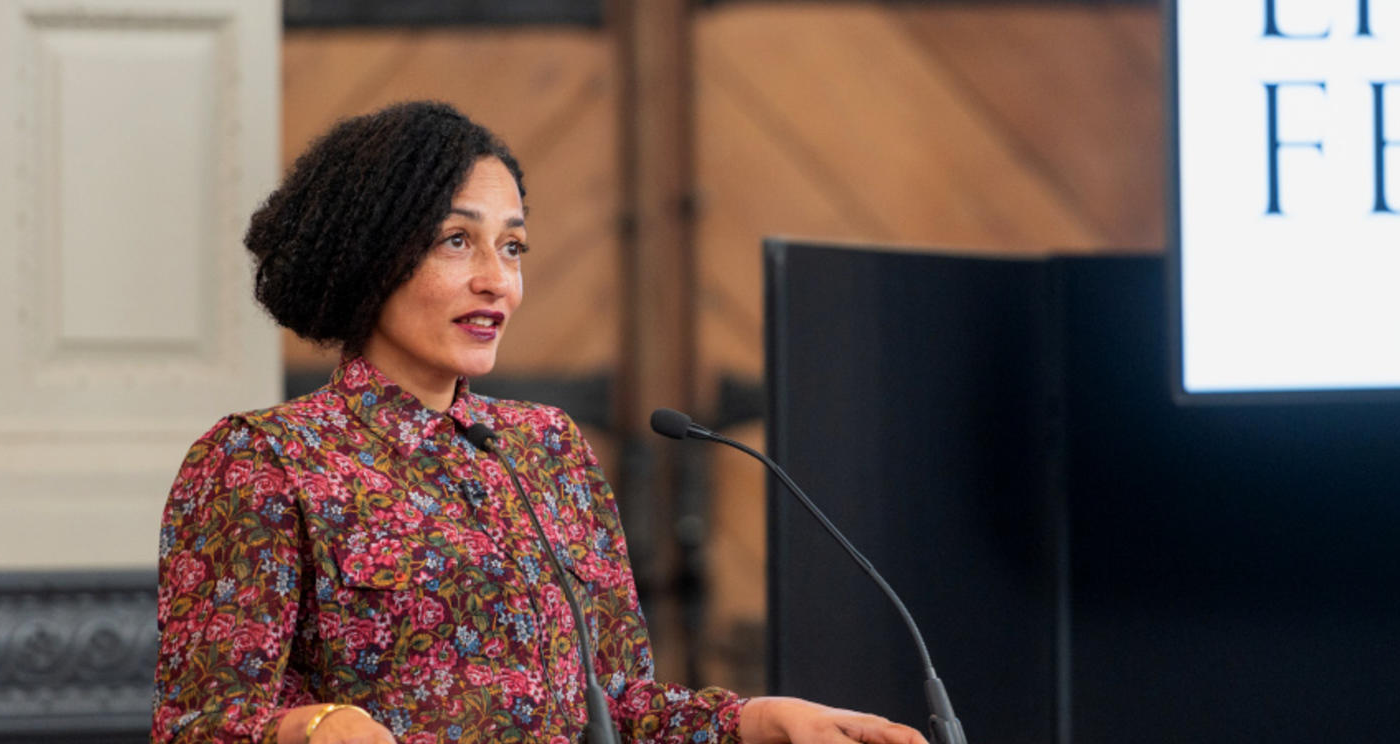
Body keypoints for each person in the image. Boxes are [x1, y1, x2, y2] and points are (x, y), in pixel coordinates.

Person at [152, 101, 930, 744]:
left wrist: (759, 720)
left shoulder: (548, 447)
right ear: (367, 256)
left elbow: (618, 707)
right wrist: (314, 727)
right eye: (457, 241)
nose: (497, 281)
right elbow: (197, 724)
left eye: (513, 246)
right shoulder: (261, 461)